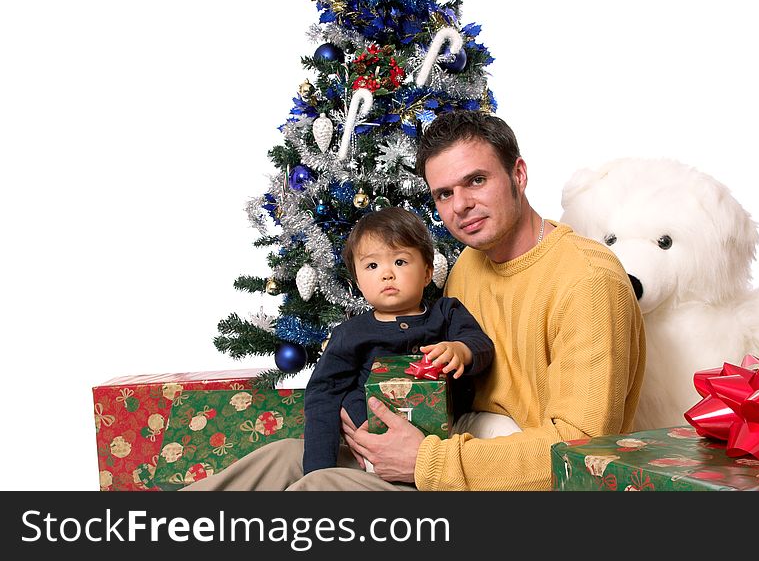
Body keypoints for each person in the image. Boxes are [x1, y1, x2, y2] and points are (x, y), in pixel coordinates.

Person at [183, 110, 644, 491]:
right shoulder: (468, 265)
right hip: (449, 443)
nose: (460, 205)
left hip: (514, 485)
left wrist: (426, 461)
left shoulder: (586, 280)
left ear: (518, 175)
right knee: (283, 459)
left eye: (477, 180)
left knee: (320, 489)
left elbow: (581, 449)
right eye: (444, 193)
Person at [302, 206, 493, 474]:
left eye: (400, 262)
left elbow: (481, 344)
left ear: (427, 272)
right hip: (377, 442)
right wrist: (318, 469)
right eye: (372, 265)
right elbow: (323, 395)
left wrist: (461, 350)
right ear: (357, 281)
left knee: (496, 432)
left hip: (447, 435)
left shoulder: (446, 313)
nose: (387, 273)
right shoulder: (350, 334)